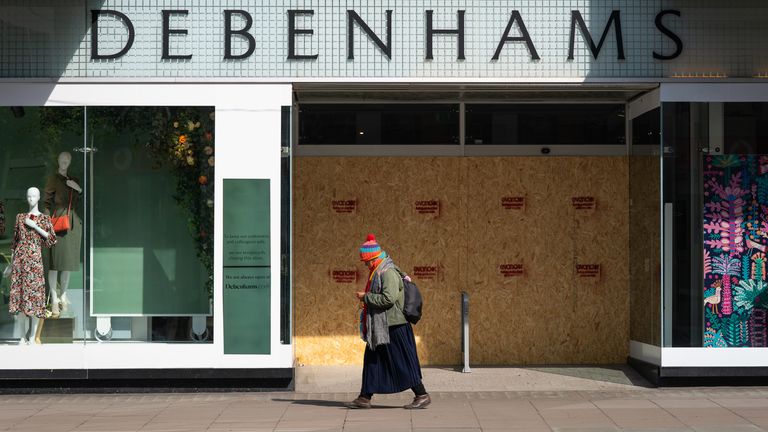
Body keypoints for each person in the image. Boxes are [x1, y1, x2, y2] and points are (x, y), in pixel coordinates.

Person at [346, 234, 430, 409]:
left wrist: (366, 297)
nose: (365, 265)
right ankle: (365, 396)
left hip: (394, 326)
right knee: (372, 359)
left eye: (366, 261)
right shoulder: (378, 271)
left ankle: (421, 394)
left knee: (402, 362)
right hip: (382, 326)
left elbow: (388, 299)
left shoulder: (388, 272)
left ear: (374, 258)